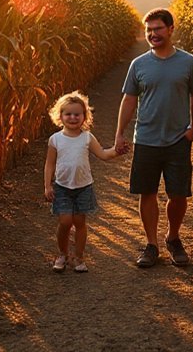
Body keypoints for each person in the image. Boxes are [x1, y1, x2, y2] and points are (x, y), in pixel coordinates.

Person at [114, 8, 193, 268]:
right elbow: (129, 99)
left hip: (178, 139)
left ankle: (173, 238)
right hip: (146, 138)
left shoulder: (188, 62)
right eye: (149, 30)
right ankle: (152, 244)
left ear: (170, 29)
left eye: (158, 29)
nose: (153, 34)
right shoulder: (139, 64)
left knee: (178, 195)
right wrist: (120, 132)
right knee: (147, 192)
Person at [44, 90, 121, 273]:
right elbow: (49, 164)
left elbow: (102, 154)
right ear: (60, 116)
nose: (72, 118)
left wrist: (117, 151)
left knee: (79, 222)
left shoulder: (87, 137)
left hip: (83, 187)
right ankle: (62, 254)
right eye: (68, 114)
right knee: (65, 222)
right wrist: (47, 185)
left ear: (84, 116)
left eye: (77, 114)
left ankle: (78, 257)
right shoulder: (55, 140)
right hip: (62, 187)